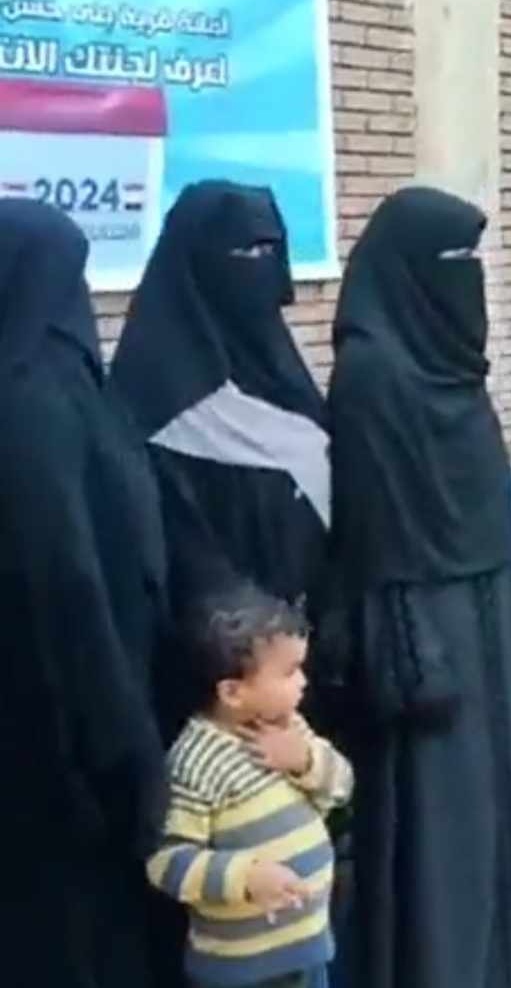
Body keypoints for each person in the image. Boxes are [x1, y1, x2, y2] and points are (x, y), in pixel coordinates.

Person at [329, 187, 511, 988]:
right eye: (453, 259)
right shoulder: (371, 376)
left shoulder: (456, 371)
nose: (469, 276)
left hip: (487, 616)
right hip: (421, 631)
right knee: (440, 824)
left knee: (498, 810)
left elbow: (488, 511)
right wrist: (411, 646)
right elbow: (372, 534)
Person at [0, 199, 168, 987]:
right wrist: (123, 743)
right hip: (68, 734)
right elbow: (68, 580)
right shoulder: (36, 403)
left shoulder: (54, 388)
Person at [110, 181, 331, 735]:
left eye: (269, 250)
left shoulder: (278, 366)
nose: (259, 266)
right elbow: (179, 554)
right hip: (227, 680)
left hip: (311, 655)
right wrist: (253, 657)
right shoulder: (152, 395)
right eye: (242, 251)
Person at [148, 583, 353, 988]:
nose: (303, 682)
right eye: (290, 671)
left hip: (309, 949)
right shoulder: (197, 761)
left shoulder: (290, 728)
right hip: (244, 971)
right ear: (232, 692)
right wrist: (245, 877)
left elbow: (342, 788)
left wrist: (305, 761)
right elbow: (166, 862)